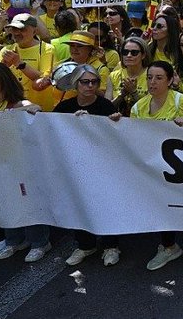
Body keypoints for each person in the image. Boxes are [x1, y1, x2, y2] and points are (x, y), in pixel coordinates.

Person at [112, 60, 183, 271]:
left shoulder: (181, 102)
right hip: (156, 168)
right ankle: (169, 247)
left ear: (171, 80)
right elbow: (135, 138)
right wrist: (118, 124)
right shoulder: (138, 107)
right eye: (149, 78)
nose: (152, 82)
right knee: (162, 206)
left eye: (158, 78)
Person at [0, 63, 50, 261]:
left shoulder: (17, 103)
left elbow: (36, 108)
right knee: (5, 200)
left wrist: (3, 115)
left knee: (28, 201)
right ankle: (14, 240)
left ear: (4, 80)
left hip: (20, 164)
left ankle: (40, 242)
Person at [53, 64, 119, 266]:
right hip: (75, 167)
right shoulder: (64, 108)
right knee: (78, 204)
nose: (90, 86)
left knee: (105, 205)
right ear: (75, 83)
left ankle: (111, 246)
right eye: (85, 82)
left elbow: (116, 137)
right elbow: (48, 129)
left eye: (94, 82)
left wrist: (114, 122)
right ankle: (85, 245)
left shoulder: (106, 106)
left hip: (102, 166)